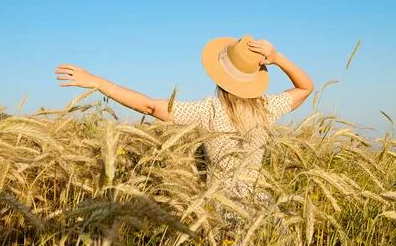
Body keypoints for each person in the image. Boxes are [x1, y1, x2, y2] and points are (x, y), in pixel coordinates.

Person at [55, 34, 313, 203]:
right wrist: (278, 58)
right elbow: (305, 88)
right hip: (262, 206)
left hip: (221, 209)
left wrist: (98, 82)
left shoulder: (207, 109)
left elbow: (150, 107)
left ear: (220, 76)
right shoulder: (267, 108)